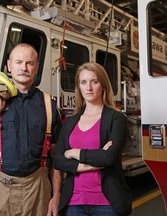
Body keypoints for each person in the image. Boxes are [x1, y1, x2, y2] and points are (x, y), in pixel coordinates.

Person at [0, 43, 62, 216]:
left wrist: (56, 194)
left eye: (30, 63)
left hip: (37, 189)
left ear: (37, 67)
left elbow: (56, 156)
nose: (24, 67)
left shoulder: (48, 105)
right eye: (18, 62)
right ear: (9, 66)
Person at [53, 62, 132, 216]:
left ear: (103, 85)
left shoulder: (116, 119)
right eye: (83, 82)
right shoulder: (70, 122)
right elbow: (57, 160)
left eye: (94, 82)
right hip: (74, 203)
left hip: (107, 205)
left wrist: (73, 153)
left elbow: (108, 158)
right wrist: (86, 164)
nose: (88, 87)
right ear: (79, 87)